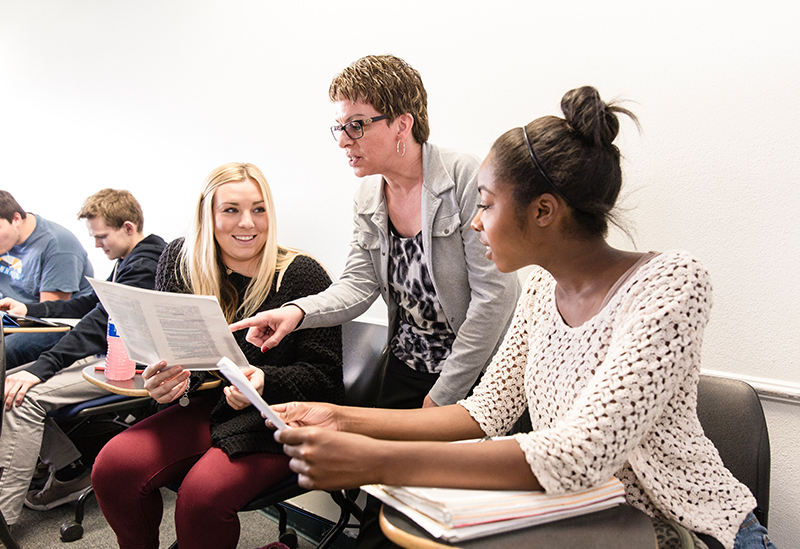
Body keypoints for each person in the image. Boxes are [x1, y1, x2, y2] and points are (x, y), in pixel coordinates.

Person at [258, 87, 776, 549]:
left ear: (544, 211)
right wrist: (342, 418)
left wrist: (376, 458)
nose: (477, 222)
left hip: (692, 530)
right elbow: (481, 414)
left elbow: (579, 455)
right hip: (587, 524)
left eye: (485, 204)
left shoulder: (672, 283)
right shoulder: (541, 289)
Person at [230, 55, 520, 549]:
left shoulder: (465, 178)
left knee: (451, 517)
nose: (343, 140)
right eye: (338, 127)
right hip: (406, 365)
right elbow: (356, 286)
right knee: (383, 509)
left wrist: (444, 395)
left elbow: (494, 300)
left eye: (357, 125)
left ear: (403, 123)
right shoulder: (369, 196)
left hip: (478, 377)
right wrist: (296, 313)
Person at [91, 163, 344, 549]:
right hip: (208, 408)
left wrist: (264, 381)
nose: (248, 223)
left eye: (259, 209)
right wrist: (169, 382)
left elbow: (327, 380)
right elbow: (184, 359)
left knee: (201, 498)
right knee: (114, 468)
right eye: (231, 210)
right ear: (207, 213)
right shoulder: (181, 260)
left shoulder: (301, 276)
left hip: (274, 419)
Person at [0, 188, 166, 527]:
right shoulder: (128, 259)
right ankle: (70, 471)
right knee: (10, 385)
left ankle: (3, 517)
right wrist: (29, 308)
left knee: (23, 397)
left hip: (134, 369)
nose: (96, 245)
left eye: (102, 236)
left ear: (129, 227)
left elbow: (95, 323)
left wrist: (42, 368)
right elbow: (87, 302)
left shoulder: (147, 265)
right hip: (112, 356)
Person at [0, 190, 94, 368]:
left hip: (55, 324)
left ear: (16, 219)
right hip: (13, 317)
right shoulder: (5, 240)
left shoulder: (58, 246)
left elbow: (47, 314)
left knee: (5, 350)